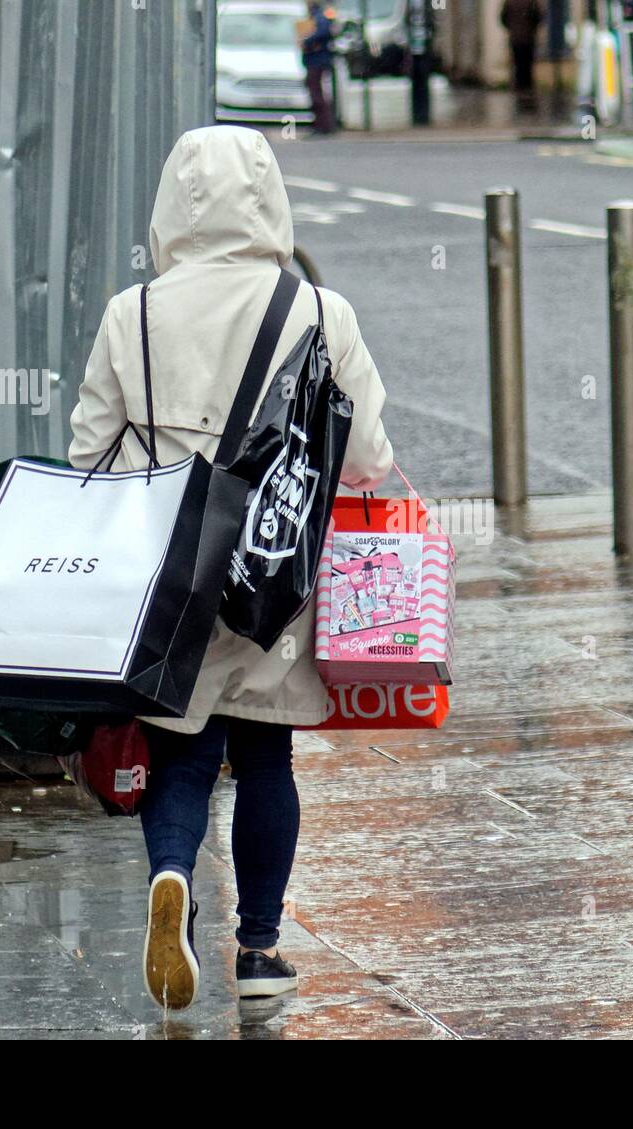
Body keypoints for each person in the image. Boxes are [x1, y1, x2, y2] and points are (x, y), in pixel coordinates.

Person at [69, 126, 393, 1007]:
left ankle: (170, 877)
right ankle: (258, 950)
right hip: (274, 578)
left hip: (167, 574)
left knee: (179, 758)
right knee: (266, 758)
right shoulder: (321, 312)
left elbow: (90, 454)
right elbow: (362, 455)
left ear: (175, 202)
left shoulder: (131, 312)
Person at [301, 2, 336, 135]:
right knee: (316, 92)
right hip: (315, 60)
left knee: (317, 93)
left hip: (317, 61)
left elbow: (323, 32)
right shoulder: (315, 15)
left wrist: (306, 41)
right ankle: (322, 125)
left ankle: (324, 126)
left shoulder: (319, 16)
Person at [501, 0, 544, 108]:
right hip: (528, 38)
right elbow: (538, 17)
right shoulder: (531, 2)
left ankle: (519, 87)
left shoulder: (509, 2)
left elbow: (503, 18)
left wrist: (512, 28)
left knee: (518, 63)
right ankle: (527, 88)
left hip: (515, 38)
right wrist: (532, 29)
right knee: (527, 64)